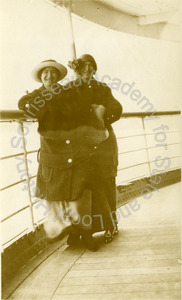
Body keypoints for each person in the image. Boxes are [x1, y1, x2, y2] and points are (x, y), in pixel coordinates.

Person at [18, 59, 110, 251]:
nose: (49, 76)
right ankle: (69, 233)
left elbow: (81, 105)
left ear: (58, 76)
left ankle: (85, 233)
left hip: (74, 148)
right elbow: (23, 103)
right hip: (53, 151)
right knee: (57, 193)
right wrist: (47, 109)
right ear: (40, 77)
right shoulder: (36, 95)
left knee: (80, 192)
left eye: (53, 73)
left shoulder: (67, 91)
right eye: (45, 73)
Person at [68, 54, 123, 242]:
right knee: (84, 185)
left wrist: (101, 116)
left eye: (91, 66)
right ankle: (85, 229)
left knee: (107, 182)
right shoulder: (69, 89)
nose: (87, 69)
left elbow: (116, 108)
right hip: (81, 145)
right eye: (83, 66)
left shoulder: (102, 89)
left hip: (104, 143)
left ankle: (111, 226)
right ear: (77, 69)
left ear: (94, 69)